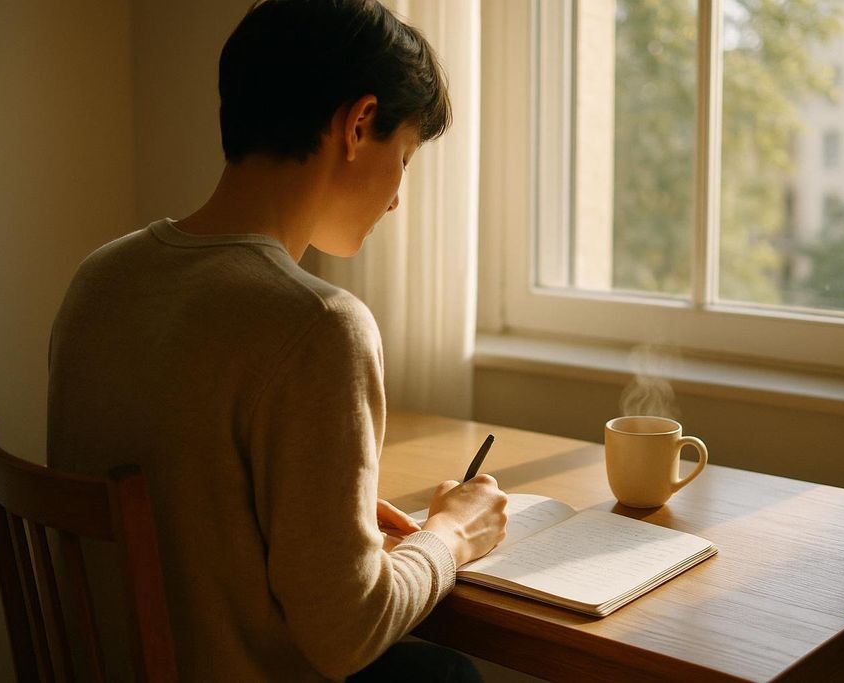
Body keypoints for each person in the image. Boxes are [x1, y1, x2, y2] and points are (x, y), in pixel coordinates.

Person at [46, 0, 508, 680]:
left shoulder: (100, 276)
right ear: (356, 125)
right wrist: (452, 534)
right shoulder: (318, 323)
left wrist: (321, 522)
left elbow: (187, 505)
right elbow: (347, 633)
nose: (396, 199)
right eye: (403, 156)